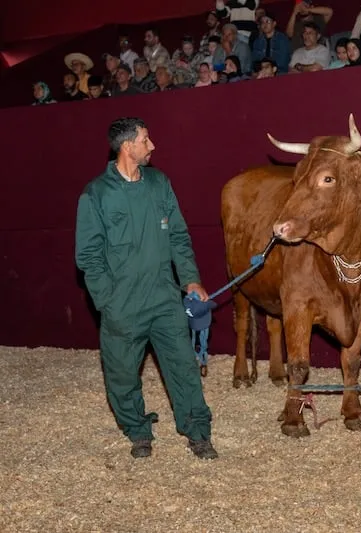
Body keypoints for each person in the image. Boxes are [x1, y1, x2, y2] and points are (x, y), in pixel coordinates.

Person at [75, 117, 218, 459]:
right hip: (122, 305)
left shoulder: (159, 183)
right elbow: (88, 255)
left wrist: (190, 279)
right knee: (122, 376)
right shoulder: (96, 194)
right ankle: (138, 431)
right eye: (145, 140)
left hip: (165, 299)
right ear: (127, 147)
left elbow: (178, 236)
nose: (152, 146)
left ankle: (198, 432)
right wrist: (108, 301)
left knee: (183, 369)